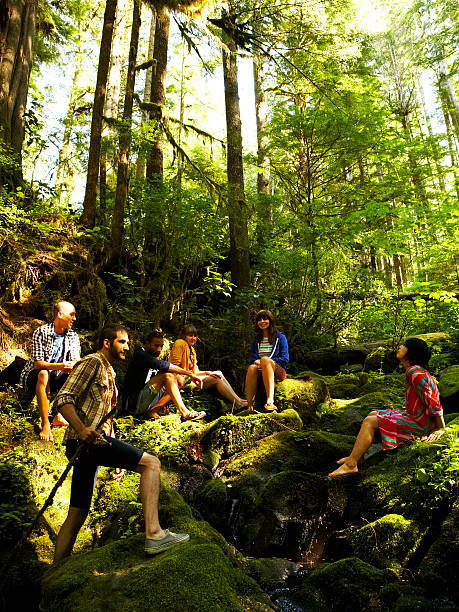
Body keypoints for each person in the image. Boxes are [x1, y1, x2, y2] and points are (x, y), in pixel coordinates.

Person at [52, 324, 189, 563]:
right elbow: (63, 398)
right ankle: (154, 534)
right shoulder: (92, 362)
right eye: (122, 342)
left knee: (78, 512)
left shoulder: (110, 372)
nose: (127, 346)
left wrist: (112, 446)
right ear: (107, 343)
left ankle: (55, 573)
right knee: (151, 464)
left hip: (92, 445)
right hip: (85, 442)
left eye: (127, 342)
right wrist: (81, 429)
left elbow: (104, 417)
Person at [329, 337, 446, 478]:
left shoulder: (415, 373)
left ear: (411, 352)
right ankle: (356, 457)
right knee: (372, 414)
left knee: (370, 422)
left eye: (404, 345)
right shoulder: (416, 371)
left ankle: (351, 464)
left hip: (419, 424)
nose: (400, 347)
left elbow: (433, 402)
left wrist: (440, 428)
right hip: (414, 418)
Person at [20, 301, 80, 442]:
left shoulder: (73, 336)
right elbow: (37, 364)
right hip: (35, 375)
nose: (74, 318)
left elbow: (76, 360)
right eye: (72, 314)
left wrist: (73, 365)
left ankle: (59, 414)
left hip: (57, 376)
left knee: (76, 374)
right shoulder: (41, 332)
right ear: (60, 314)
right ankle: (45, 423)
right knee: (43, 373)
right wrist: (60, 366)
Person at [122, 331, 206, 421]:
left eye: (161, 346)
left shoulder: (152, 355)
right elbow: (164, 365)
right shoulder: (140, 355)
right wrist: (189, 373)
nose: (159, 349)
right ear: (147, 344)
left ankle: (152, 412)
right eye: (156, 345)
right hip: (133, 404)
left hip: (146, 399)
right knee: (167, 376)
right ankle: (185, 413)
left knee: (179, 379)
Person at [169, 324, 247, 410]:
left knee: (218, 373)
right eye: (190, 335)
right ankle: (238, 403)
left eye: (195, 336)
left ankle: (239, 400)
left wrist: (208, 372)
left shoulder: (191, 350)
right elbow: (173, 366)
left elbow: (195, 371)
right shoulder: (180, 343)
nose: (193, 338)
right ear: (184, 336)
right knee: (216, 379)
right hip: (182, 380)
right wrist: (187, 376)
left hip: (191, 377)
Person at [245, 309, 289, 412]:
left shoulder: (280, 338)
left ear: (270, 320)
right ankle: (250, 405)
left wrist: (265, 362)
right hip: (260, 371)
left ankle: (270, 401)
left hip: (278, 371)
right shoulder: (256, 340)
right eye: (259, 320)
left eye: (265, 319)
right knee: (251, 367)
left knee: (265, 360)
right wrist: (257, 363)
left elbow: (285, 358)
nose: (262, 322)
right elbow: (253, 359)